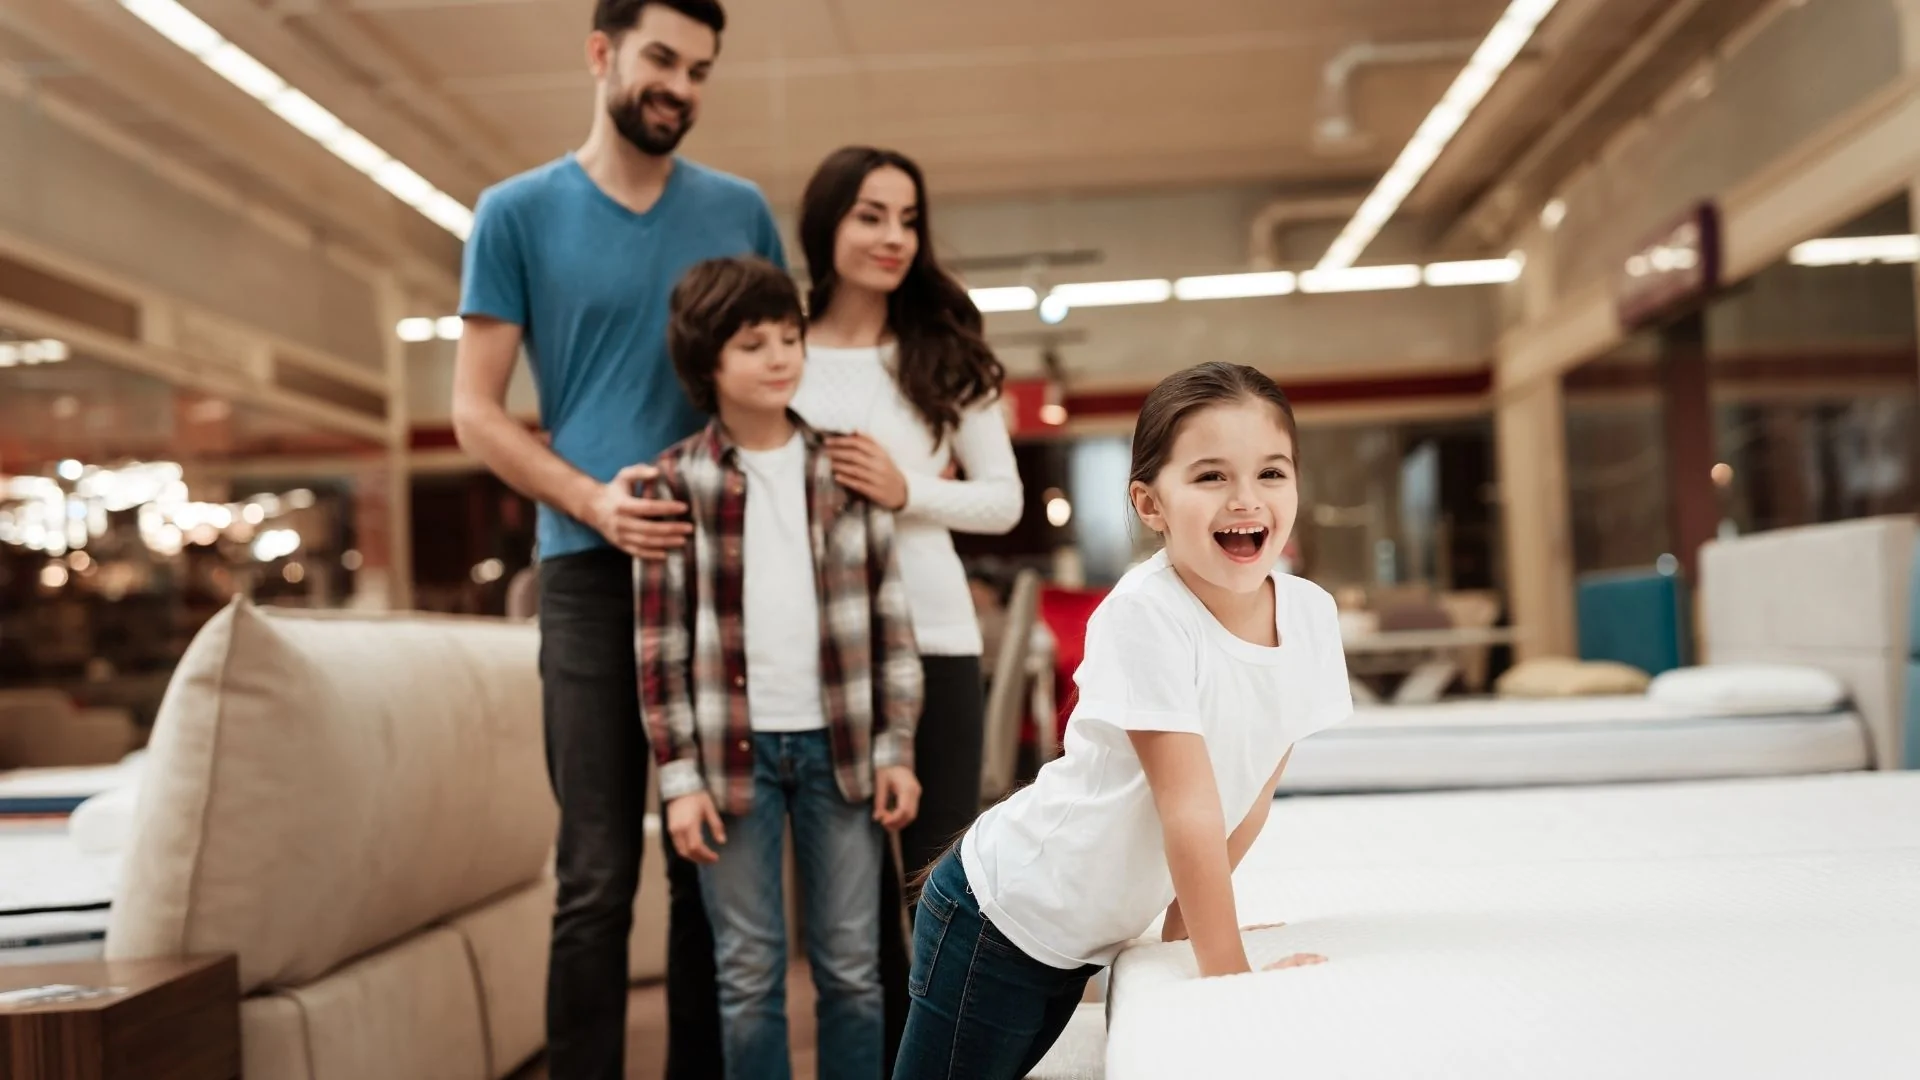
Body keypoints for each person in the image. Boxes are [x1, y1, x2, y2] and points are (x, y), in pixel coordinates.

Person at [447, 2, 783, 1076]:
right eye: (659, 59)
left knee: (706, 860)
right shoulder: (515, 213)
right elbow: (475, 411)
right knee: (595, 868)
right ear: (601, 55)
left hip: (719, 570)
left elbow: (779, 382)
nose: (678, 85)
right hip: (588, 571)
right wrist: (592, 501)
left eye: (699, 69)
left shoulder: (740, 210)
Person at [891, 362, 1355, 1080]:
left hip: (1082, 934)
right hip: (1001, 918)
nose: (1246, 499)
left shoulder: (1311, 616)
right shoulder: (1146, 613)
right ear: (1150, 503)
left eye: (1272, 473)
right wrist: (1228, 976)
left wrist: (1190, 939)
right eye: (1209, 477)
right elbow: (1189, 810)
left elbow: (1246, 798)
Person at [641, 256, 925, 1080]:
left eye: (790, 338)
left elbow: (889, 624)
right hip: (733, 761)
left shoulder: (848, 470)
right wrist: (678, 779)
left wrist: (896, 748)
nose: (780, 357)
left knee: (853, 973)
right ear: (709, 365)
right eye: (753, 343)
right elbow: (656, 651)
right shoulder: (671, 483)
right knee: (748, 976)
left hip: (842, 749)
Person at [784, 145, 1023, 1061]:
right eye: (870, 215)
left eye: (908, 218)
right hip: (822, 655)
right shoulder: (783, 352)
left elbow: (999, 500)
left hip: (938, 643)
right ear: (827, 225)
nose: (893, 236)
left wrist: (906, 487)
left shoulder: (947, 355)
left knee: (936, 887)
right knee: (847, 913)